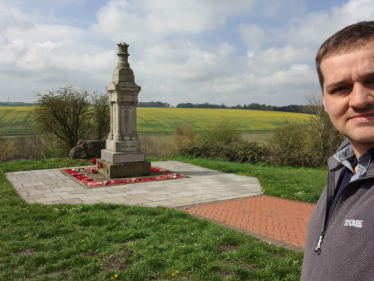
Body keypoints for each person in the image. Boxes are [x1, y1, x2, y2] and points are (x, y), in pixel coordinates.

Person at [301, 21, 374, 280]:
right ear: (324, 100)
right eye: (340, 88)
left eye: (373, 80)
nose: (358, 100)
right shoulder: (342, 163)